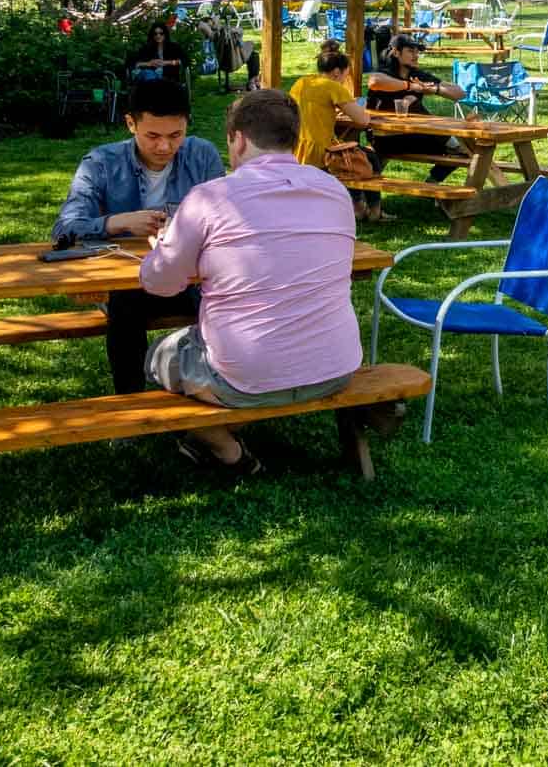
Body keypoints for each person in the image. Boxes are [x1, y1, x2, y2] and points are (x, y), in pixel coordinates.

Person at [139, 89, 364, 474]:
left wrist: (164, 248)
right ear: (293, 137)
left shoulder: (210, 198)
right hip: (335, 368)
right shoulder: (335, 191)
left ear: (238, 138)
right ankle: (221, 433)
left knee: (158, 356)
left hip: (245, 376)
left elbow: (159, 284)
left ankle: (227, 449)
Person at [53, 78, 226, 393]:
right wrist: (118, 222)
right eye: (153, 136)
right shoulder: (101, 163)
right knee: (125, 304)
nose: (165, 147)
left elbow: (227, 221)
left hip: (190, 276)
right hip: (131, 280)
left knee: (224, 295)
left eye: (176, 135)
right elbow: (65, 227)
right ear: (130, 123)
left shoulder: (202, 155)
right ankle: (130, 400)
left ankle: (218, 386)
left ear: (187, 125)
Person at [288, 47, 379, 218]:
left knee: (353, 156)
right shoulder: (332, 86)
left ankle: (358, 205)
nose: (346, 79)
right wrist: (364, 109)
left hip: (296, 148)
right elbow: (362, 120)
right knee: (366, 158)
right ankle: (371, 210)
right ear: (337, 72)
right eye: (346, 74)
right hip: (322, 152)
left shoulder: (301, 82)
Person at [364, 35, 467, 185]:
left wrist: (434, 89)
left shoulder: (417, 75)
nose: (416, 55)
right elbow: (374, 82)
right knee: (414, 104)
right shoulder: (385, 72)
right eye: (411, 51)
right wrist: (410, 87)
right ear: (396, 52)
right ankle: (451, 142)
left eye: (417, 51)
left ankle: (431, 185)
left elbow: (459, 93)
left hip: (411, 137)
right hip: (384, 139)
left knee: (464, 152)